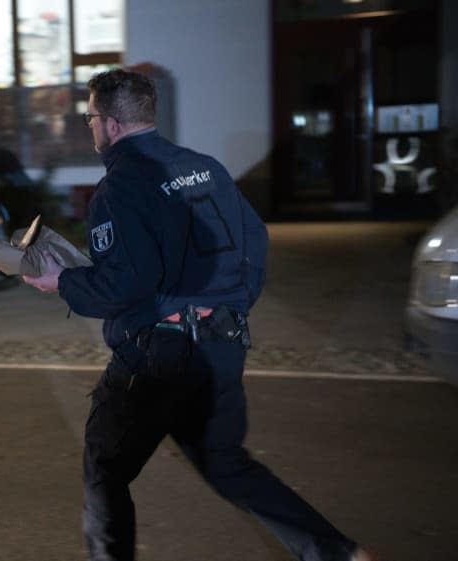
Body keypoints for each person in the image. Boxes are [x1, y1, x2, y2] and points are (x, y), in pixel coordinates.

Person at [22, 69, 378, 561]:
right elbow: (255, 240)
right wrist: (228, 307)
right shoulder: (207, 168)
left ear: (109, 124)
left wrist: (59, 280)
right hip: (222, 346)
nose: (90, 128)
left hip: (158, 358)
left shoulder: (119, 187)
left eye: (90, 119)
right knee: (227, 463)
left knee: (105, 469)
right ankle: (338, 554)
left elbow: (124, 285)